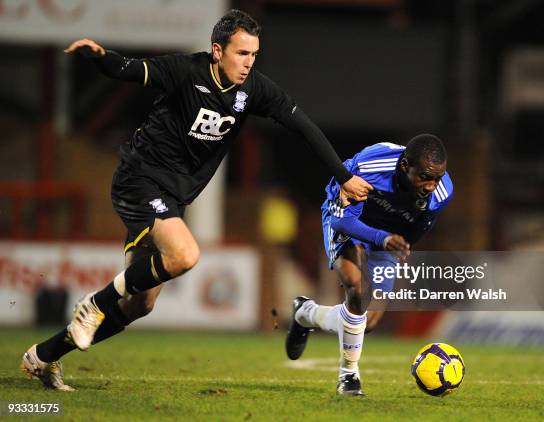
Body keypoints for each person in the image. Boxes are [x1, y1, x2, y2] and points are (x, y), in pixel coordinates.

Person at [21, 9, 372, 391]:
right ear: (217, 50)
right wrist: (100, 57)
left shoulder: (253, 90)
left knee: (140, 305)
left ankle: (45, 355)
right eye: (241, 54)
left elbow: (302, 124)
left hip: (173, 196)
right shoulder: (186, 71)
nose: (248, 63)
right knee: (184, 255)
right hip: (140, 180)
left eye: (254, 55)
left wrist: (343, 175)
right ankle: (94, 304)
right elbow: (130, 69)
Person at [285, 134, 453, 396]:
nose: (431, 186)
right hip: (351, 220)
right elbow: (342, 222)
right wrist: (380, 238)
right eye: (425, 177)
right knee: (358, 291)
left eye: (437, 178)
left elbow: (417, 229)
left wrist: (395, 244)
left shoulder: (441, 193)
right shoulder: (370, 167)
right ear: (405, 166)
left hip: (388, 235)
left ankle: (305, 313)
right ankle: (349, 375)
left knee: (367, 322)